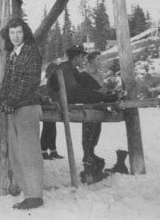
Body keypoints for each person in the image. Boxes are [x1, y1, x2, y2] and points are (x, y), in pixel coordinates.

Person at [47, 45, 118, 184]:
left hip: (66, 95)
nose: (83, 60)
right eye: (82, 57)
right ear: (77, 57)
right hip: (58, 98)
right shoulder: (64, 68)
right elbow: (75, 89)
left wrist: (103, 91)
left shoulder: (73, 69)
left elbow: (84, 80)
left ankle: (90, 156)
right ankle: (89, 158)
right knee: (90, 98)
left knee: (92, 97)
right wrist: (103, 96)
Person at [0, 17, 44, 210]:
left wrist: (10, 100)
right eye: (12, 33)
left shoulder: (31, 52)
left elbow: (30, 81)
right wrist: (3, 100)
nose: (15, 36)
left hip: (26, 108)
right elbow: (7, 81)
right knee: (16, 152)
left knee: (29, 152)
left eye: (19, 32)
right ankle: (28, 193)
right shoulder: (12, 53)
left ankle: (35, 195)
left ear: (24, 32)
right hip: (13, 108)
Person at [39, 62, 64, 160]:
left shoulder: (50, 80)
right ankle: (43, 151)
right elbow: (44, 92)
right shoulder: (45, 81)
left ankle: (53, 150)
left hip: (52, 106)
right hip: (47, 107)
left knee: (52, 128)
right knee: (47, 128)